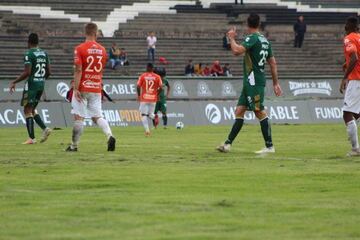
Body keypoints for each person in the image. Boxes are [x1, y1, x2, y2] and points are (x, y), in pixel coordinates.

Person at [217, 13, 283, 154]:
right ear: (258, 24)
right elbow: (273, 63)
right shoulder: (265, 41)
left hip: (254, 82)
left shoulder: (252, 38)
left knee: (259, 112)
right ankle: (228, 144)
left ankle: (270, 146)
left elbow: (236, 51)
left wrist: (231, 38)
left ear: (247, 24)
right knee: (239, 111)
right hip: (250, 82)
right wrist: (276, 83)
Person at [66, 22, 116, 152]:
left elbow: (78, 69)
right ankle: (109, 135)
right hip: (96, 87)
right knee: (97, 116)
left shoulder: (80, 48)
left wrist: (76, 88)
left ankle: (74, 146)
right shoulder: (103, 50)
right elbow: (100, 70)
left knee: (79, 117)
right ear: (95, 33)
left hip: (82, 87)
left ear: (85, 33)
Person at [9, 33, 52, 144]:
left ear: (28, 42)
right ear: (37, 42)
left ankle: (32, 139)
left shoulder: (29, 54)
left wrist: (14, 82)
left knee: (27, 110)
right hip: (40, 85)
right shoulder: (44, 53)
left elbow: (27, 72)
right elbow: (49, 72)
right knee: (32, 109)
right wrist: (41, 80)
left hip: (32, 85)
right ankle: (45, 129)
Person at [339, 16, 360, 156]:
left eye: (346, 24)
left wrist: (345, 77)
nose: (344, 27)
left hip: (356, 80)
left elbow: (354, 57)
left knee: (347, 113)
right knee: (357, 113)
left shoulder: (349, 38)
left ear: (349, 26)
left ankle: (355, 149)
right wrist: (347, 64)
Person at [137, 63, 162, 136]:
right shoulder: (157, 77)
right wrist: (157, 94)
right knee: (150, 114)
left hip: (144, 98)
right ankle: (155, 116)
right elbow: (161, 87)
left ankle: (147, 131)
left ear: (147, 67)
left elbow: (138, 86)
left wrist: (138, 95)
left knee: (143, 114)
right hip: (153, 98)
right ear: (152, 68)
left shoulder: (143, 76)